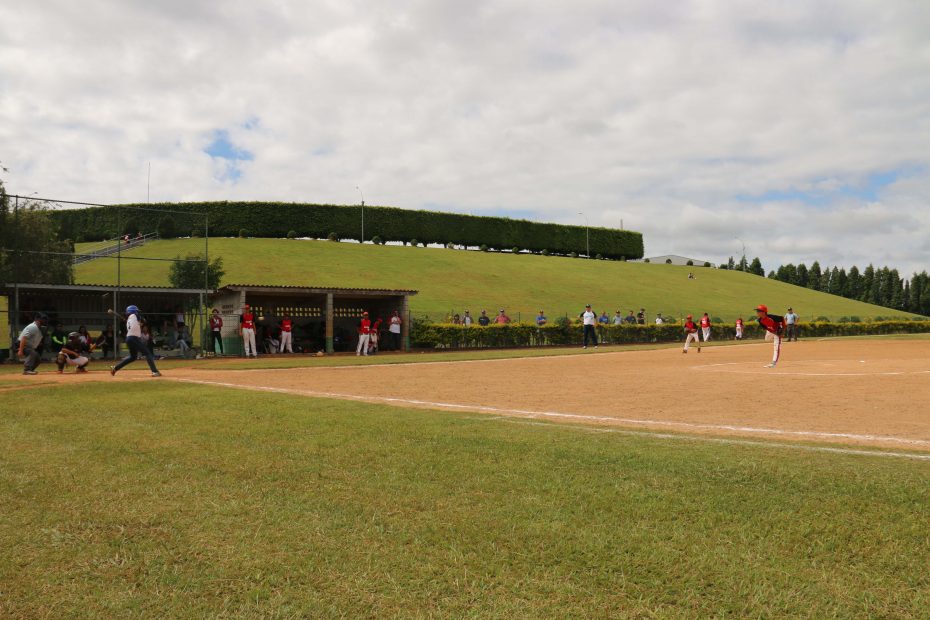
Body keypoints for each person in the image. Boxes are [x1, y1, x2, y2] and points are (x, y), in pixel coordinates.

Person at [110, 305, 161, 377]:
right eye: (136, 311)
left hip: (129, 339)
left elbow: (140, 323)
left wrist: (140, 323)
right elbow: (143, 320)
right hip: (133, 338)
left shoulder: (130, 320)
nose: (137, 312)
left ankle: (115, 368)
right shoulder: (134, 315)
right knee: (147, 353)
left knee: (133, 357)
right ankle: (154, 371)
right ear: (133, 311)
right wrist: (141, 322)